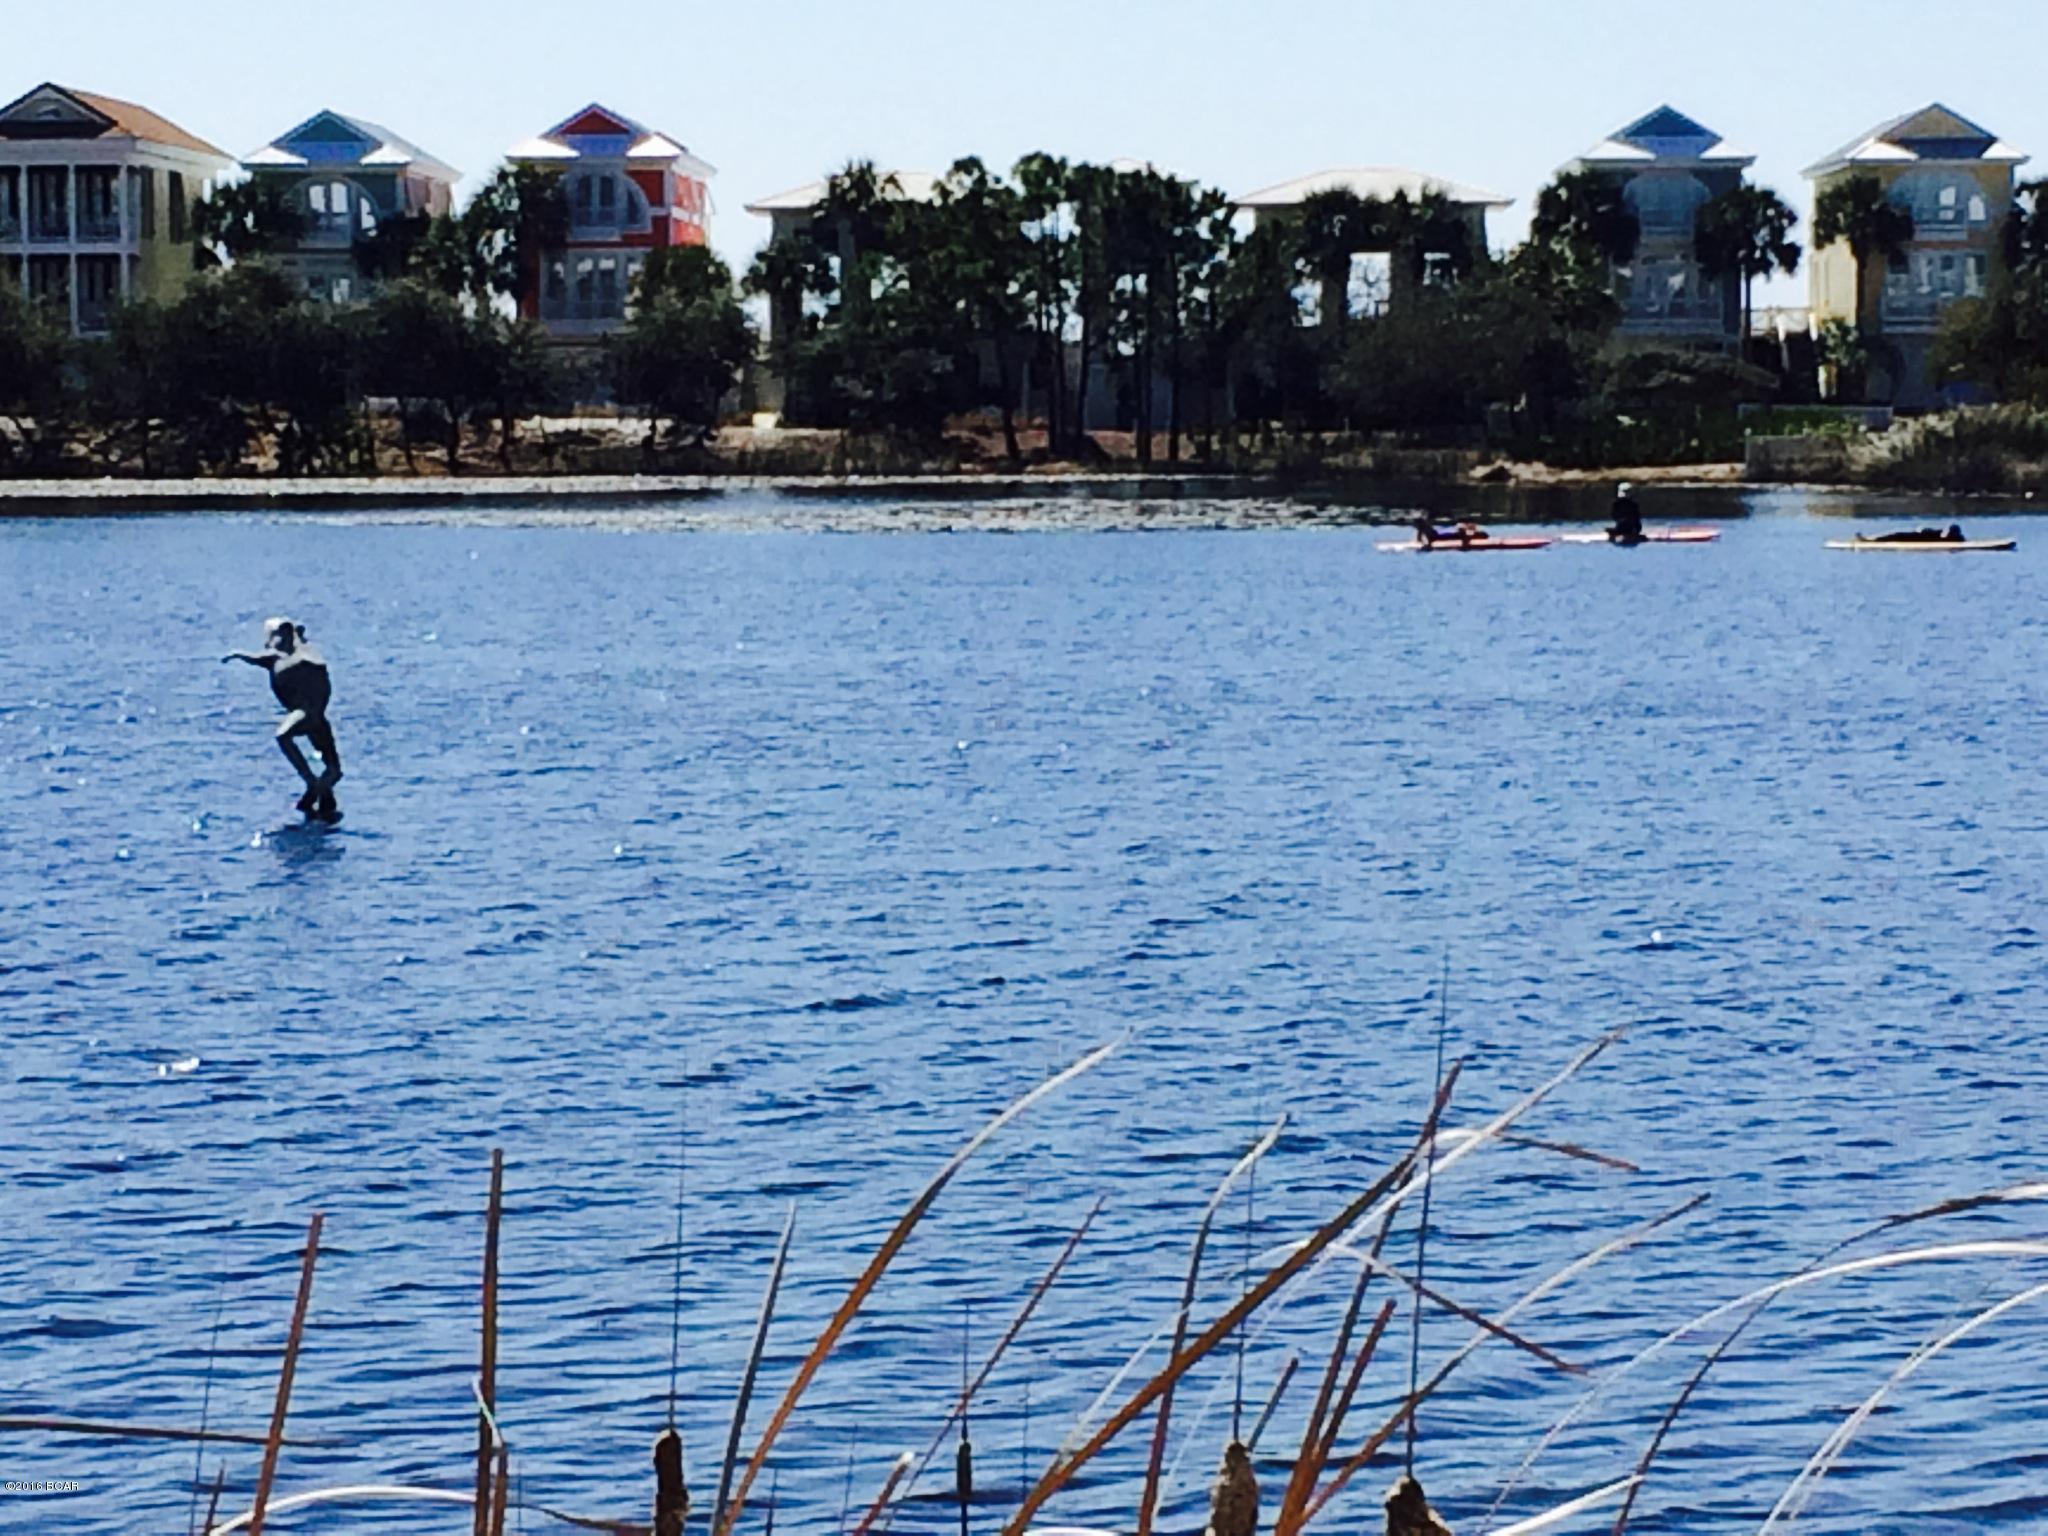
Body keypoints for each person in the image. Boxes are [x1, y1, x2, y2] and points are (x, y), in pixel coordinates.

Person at [223, 617, 343, 820]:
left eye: (288, 635)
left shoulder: (303, 655)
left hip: (310, 713)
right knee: (287, 738)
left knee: (329, 766)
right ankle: (315, 786)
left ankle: (319, 788)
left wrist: (301, 641)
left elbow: (313, 659)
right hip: (306, 713)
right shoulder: (274, 659)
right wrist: (236, 655)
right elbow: (255, 658)